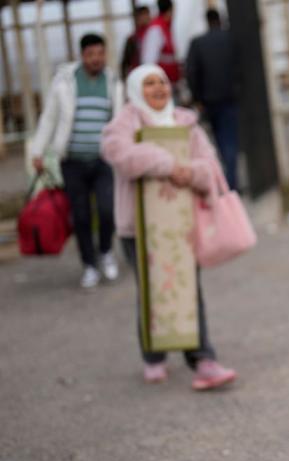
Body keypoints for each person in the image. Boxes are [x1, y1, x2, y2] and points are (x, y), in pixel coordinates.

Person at [100, 64, 237, 390]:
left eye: (162, 82)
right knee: (150, 287)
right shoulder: (126, 122)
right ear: (135, 90)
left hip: (182, 224)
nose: (158, 89)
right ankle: (153, 355)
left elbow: (210, 165)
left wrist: (189, 173)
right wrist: (167, 164)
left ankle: (203, 359)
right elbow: (117, 152)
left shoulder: (185, 123)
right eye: (149, 84)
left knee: (189, 286)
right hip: (139, 227)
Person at [30, 33, 124, 288]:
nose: (96, 59)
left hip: (103, 159)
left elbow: (120, 120)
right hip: (71, 161)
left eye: (100, 54)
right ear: (82, 56)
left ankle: (105, 251)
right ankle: (89, 265)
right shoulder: (65, 82)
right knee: (80, 216)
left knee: (107, 210)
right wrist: (38, 152)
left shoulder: (113, 82)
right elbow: (49, 118)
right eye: (91, 54)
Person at [186, 8, 240, 191]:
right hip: (229, 99)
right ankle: (231, 184)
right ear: (220, 20)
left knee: (215, 143)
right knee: (230, 142)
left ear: (207, 21)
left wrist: (197, 98)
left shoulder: (198, 43)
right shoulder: (231, 40)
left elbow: (191, 72)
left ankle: (224, 183)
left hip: (208, 101)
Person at [141, 0, 180, 96]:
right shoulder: (156, 29)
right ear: (170, 10)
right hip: (161, 88)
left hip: (170, 83)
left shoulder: (165, 27)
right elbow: (148, 61)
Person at [120, 6, 151, 78]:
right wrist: (125, 78)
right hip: (137, 74)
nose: (144, 18)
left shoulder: (155, 35)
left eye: (146, 15)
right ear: (136, 18)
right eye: (141, 15)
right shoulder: (132, 39)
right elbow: (125, 62)